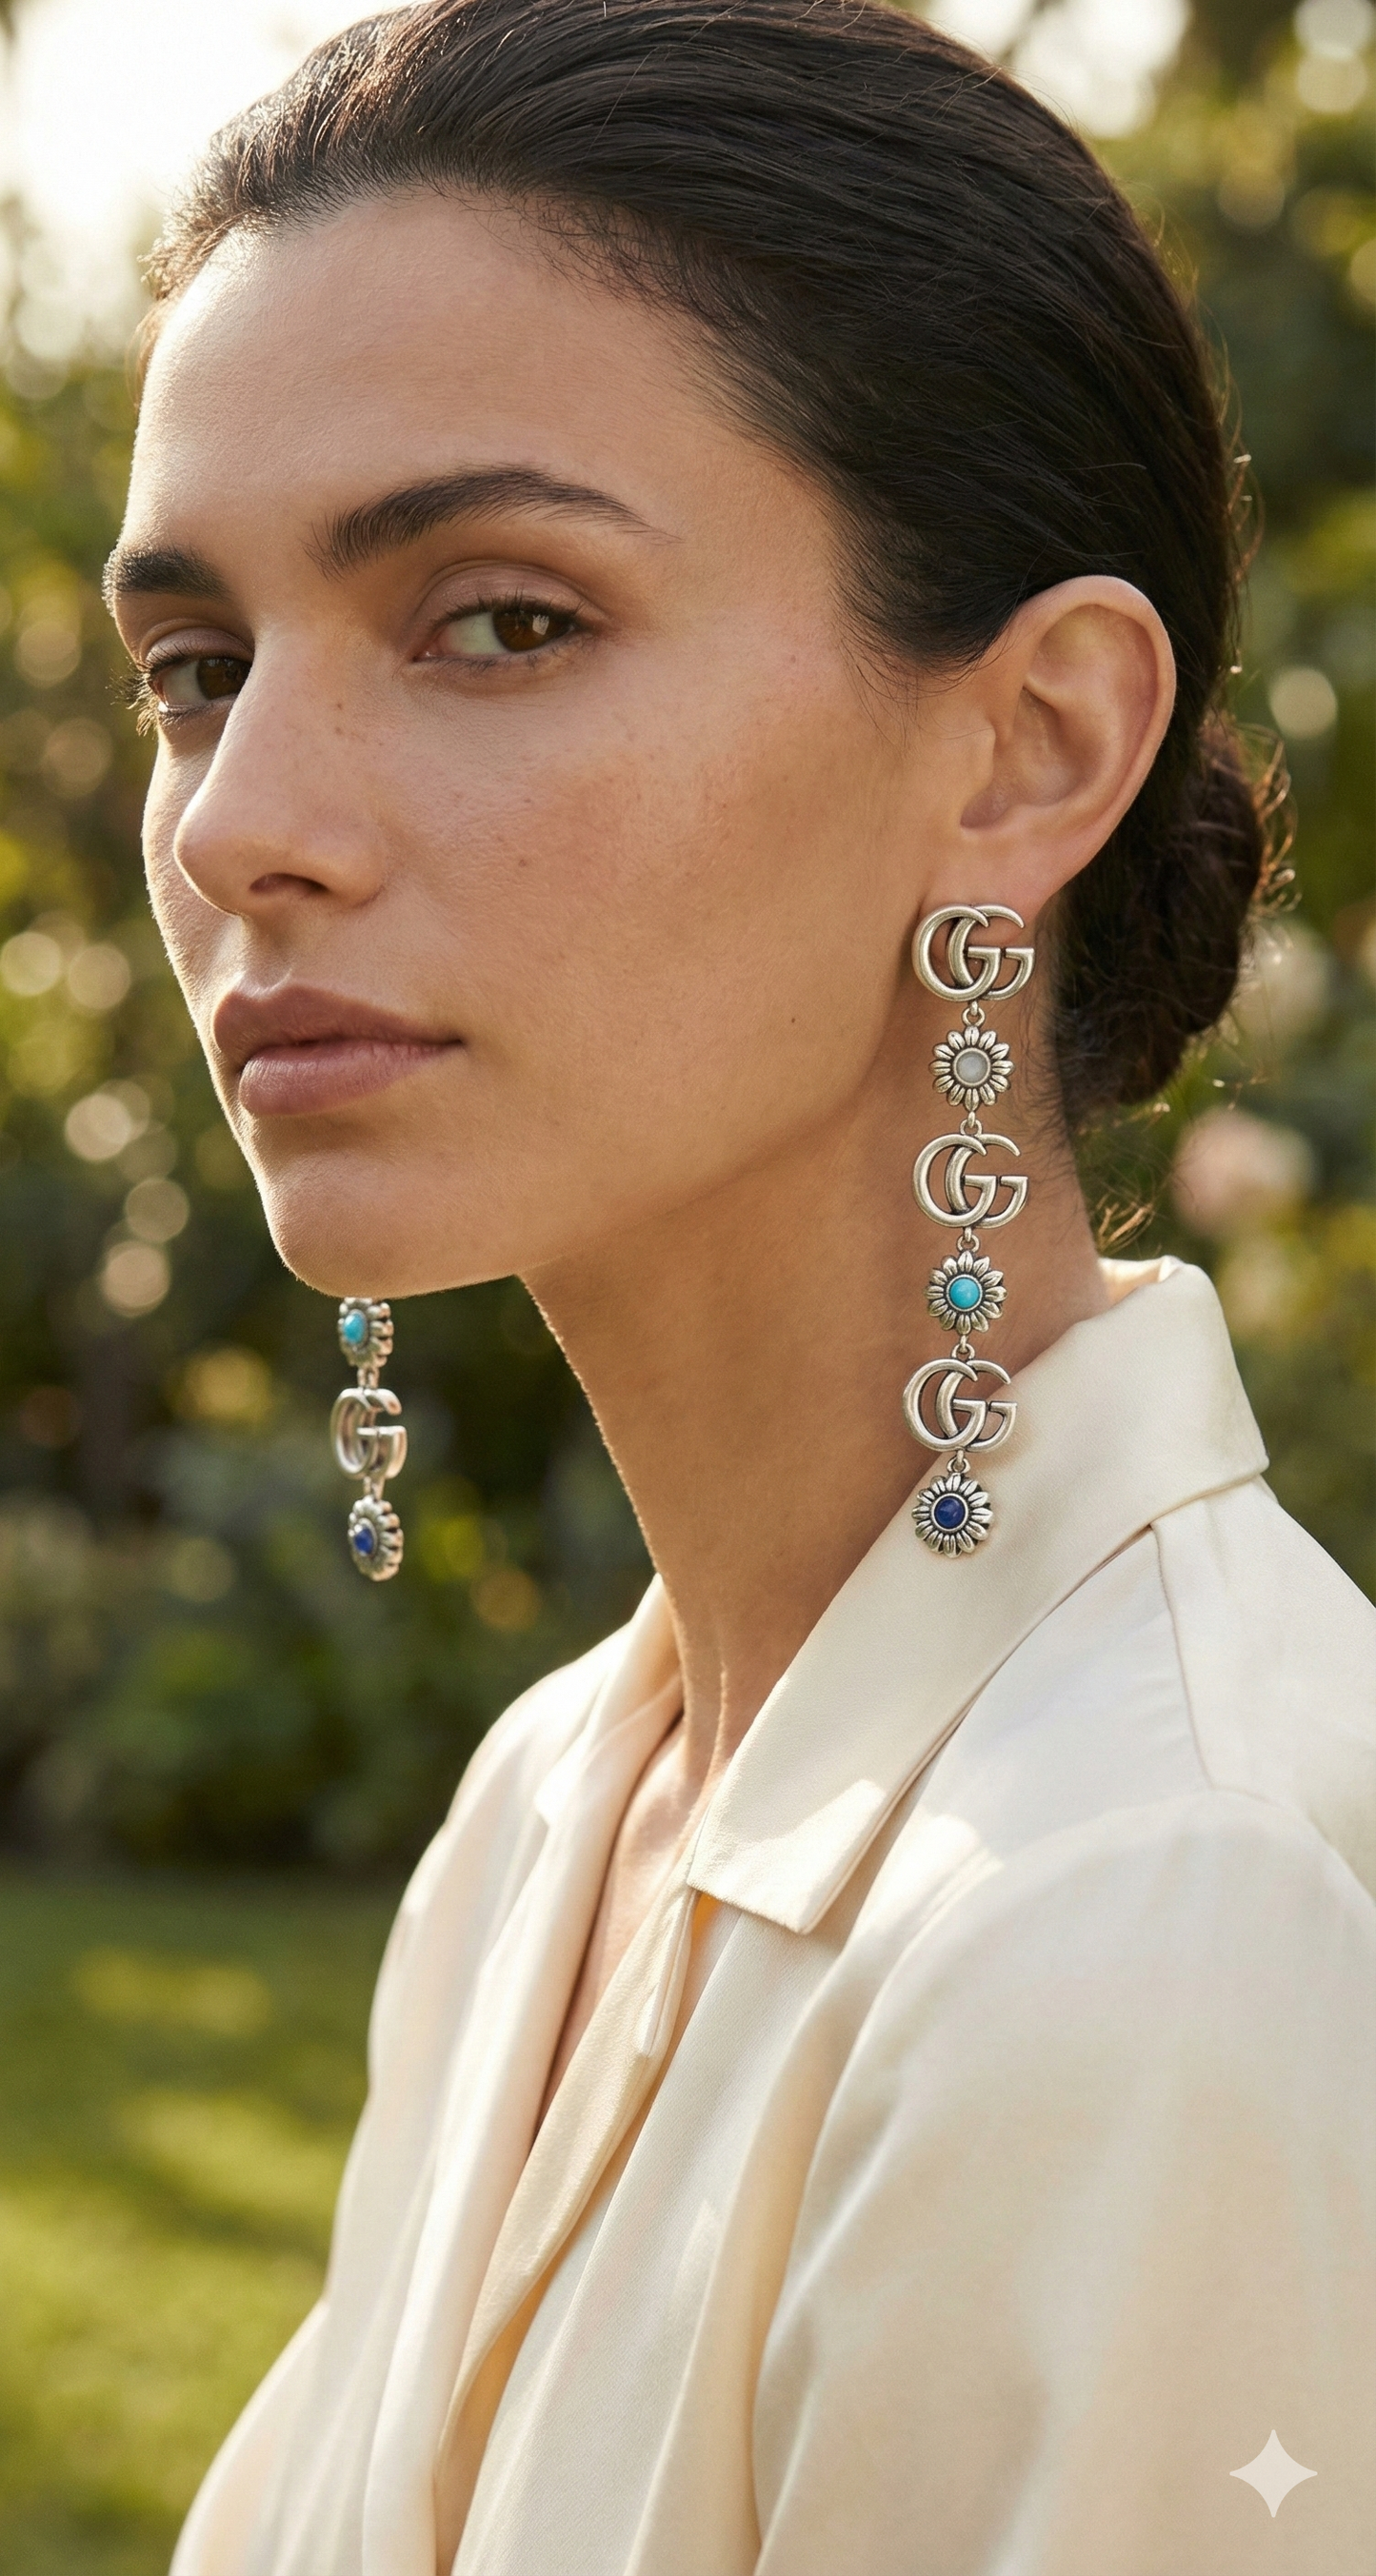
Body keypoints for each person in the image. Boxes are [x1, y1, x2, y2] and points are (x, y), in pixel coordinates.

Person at [104, 2, 1375, 2567]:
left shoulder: (1151, 1908)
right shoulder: (553, 1804)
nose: (241, 824)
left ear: (1026, 746)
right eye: (197, 668)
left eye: (496, 621)